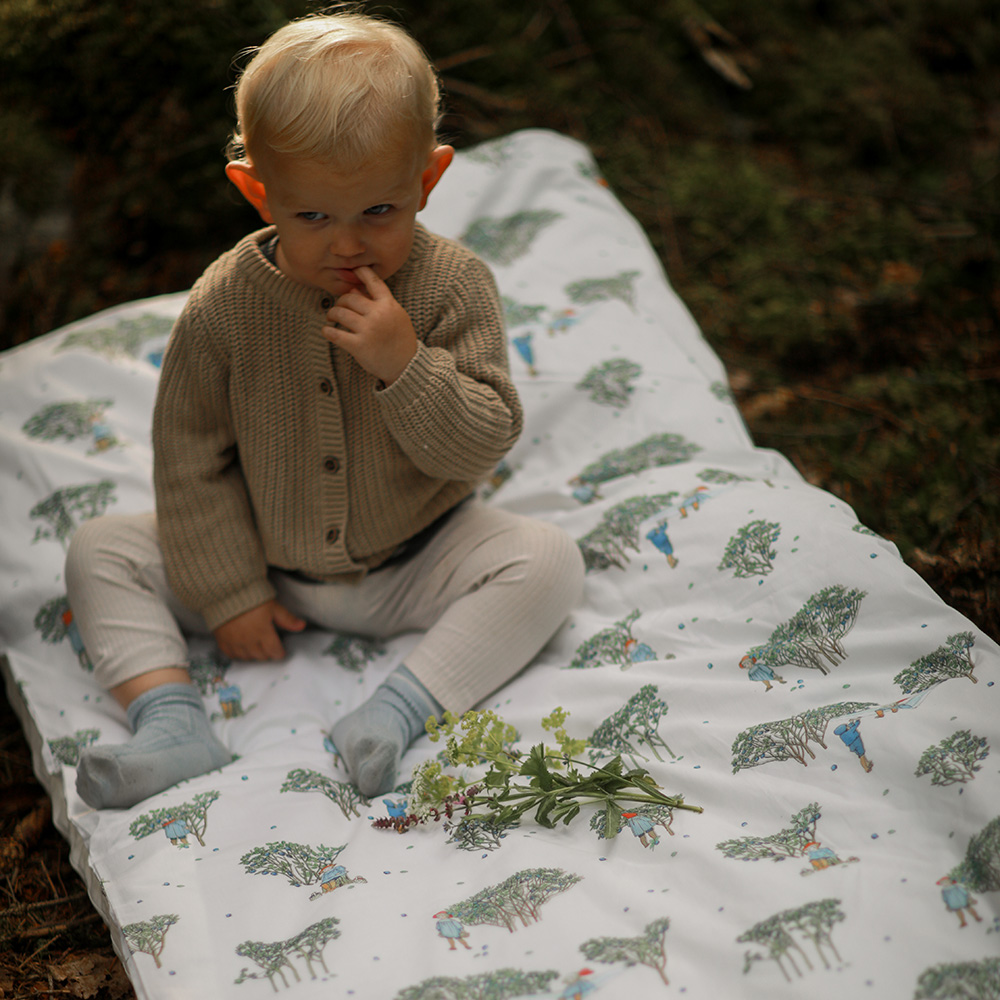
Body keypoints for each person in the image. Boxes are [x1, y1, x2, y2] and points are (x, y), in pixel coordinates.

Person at [64, 11, 584, 810]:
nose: (348, 245)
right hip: (267, 558)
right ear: (255, 191)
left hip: (419, 557)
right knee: (101, 550)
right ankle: (171, 722)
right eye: (312, 217)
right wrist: (231, 590)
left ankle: (394, 713)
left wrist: (404, 365)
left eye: (380, 212)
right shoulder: (226, 304)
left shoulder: (451, 286)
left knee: (548, 562)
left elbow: (481, 443)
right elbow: (188, 452)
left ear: (427, 180)